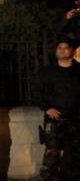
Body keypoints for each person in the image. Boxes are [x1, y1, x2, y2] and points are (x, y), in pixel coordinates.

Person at [33, 38, 80, 181]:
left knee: (77, 155)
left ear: (72, 51)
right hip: (54, 120)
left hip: (77, 119)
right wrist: (47, 108)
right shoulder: (46, 72)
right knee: (52, 155)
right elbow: (36, 92)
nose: (62, 50)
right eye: (59, 47)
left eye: (66, 47)